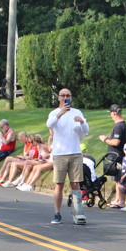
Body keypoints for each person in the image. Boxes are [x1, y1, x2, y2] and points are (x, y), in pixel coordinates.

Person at [46, 87, 89, 224]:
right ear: (59, 97)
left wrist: (82, 122)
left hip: (75, 152)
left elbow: (85, 131)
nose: (65, 98)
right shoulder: (54, 113)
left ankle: (78, 213)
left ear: (71, 97)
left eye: (68, 95)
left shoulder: (77, 112)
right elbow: (49, 124)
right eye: (63, 95)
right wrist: (61, 113)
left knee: (76, 183)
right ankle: (57, 213)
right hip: (60, 153)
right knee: (59, 184)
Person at [99, 104, 126, 201]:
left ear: (114, 113)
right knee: (117, 180)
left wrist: (105, 139)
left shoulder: (119, 126)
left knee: (119, 180)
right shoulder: (121, 124)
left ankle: (121, 201)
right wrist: (108, 139)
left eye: (111, 113)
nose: (110, 115)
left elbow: (116, 142)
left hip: (117, 156)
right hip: (117, 156)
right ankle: (117, 200)